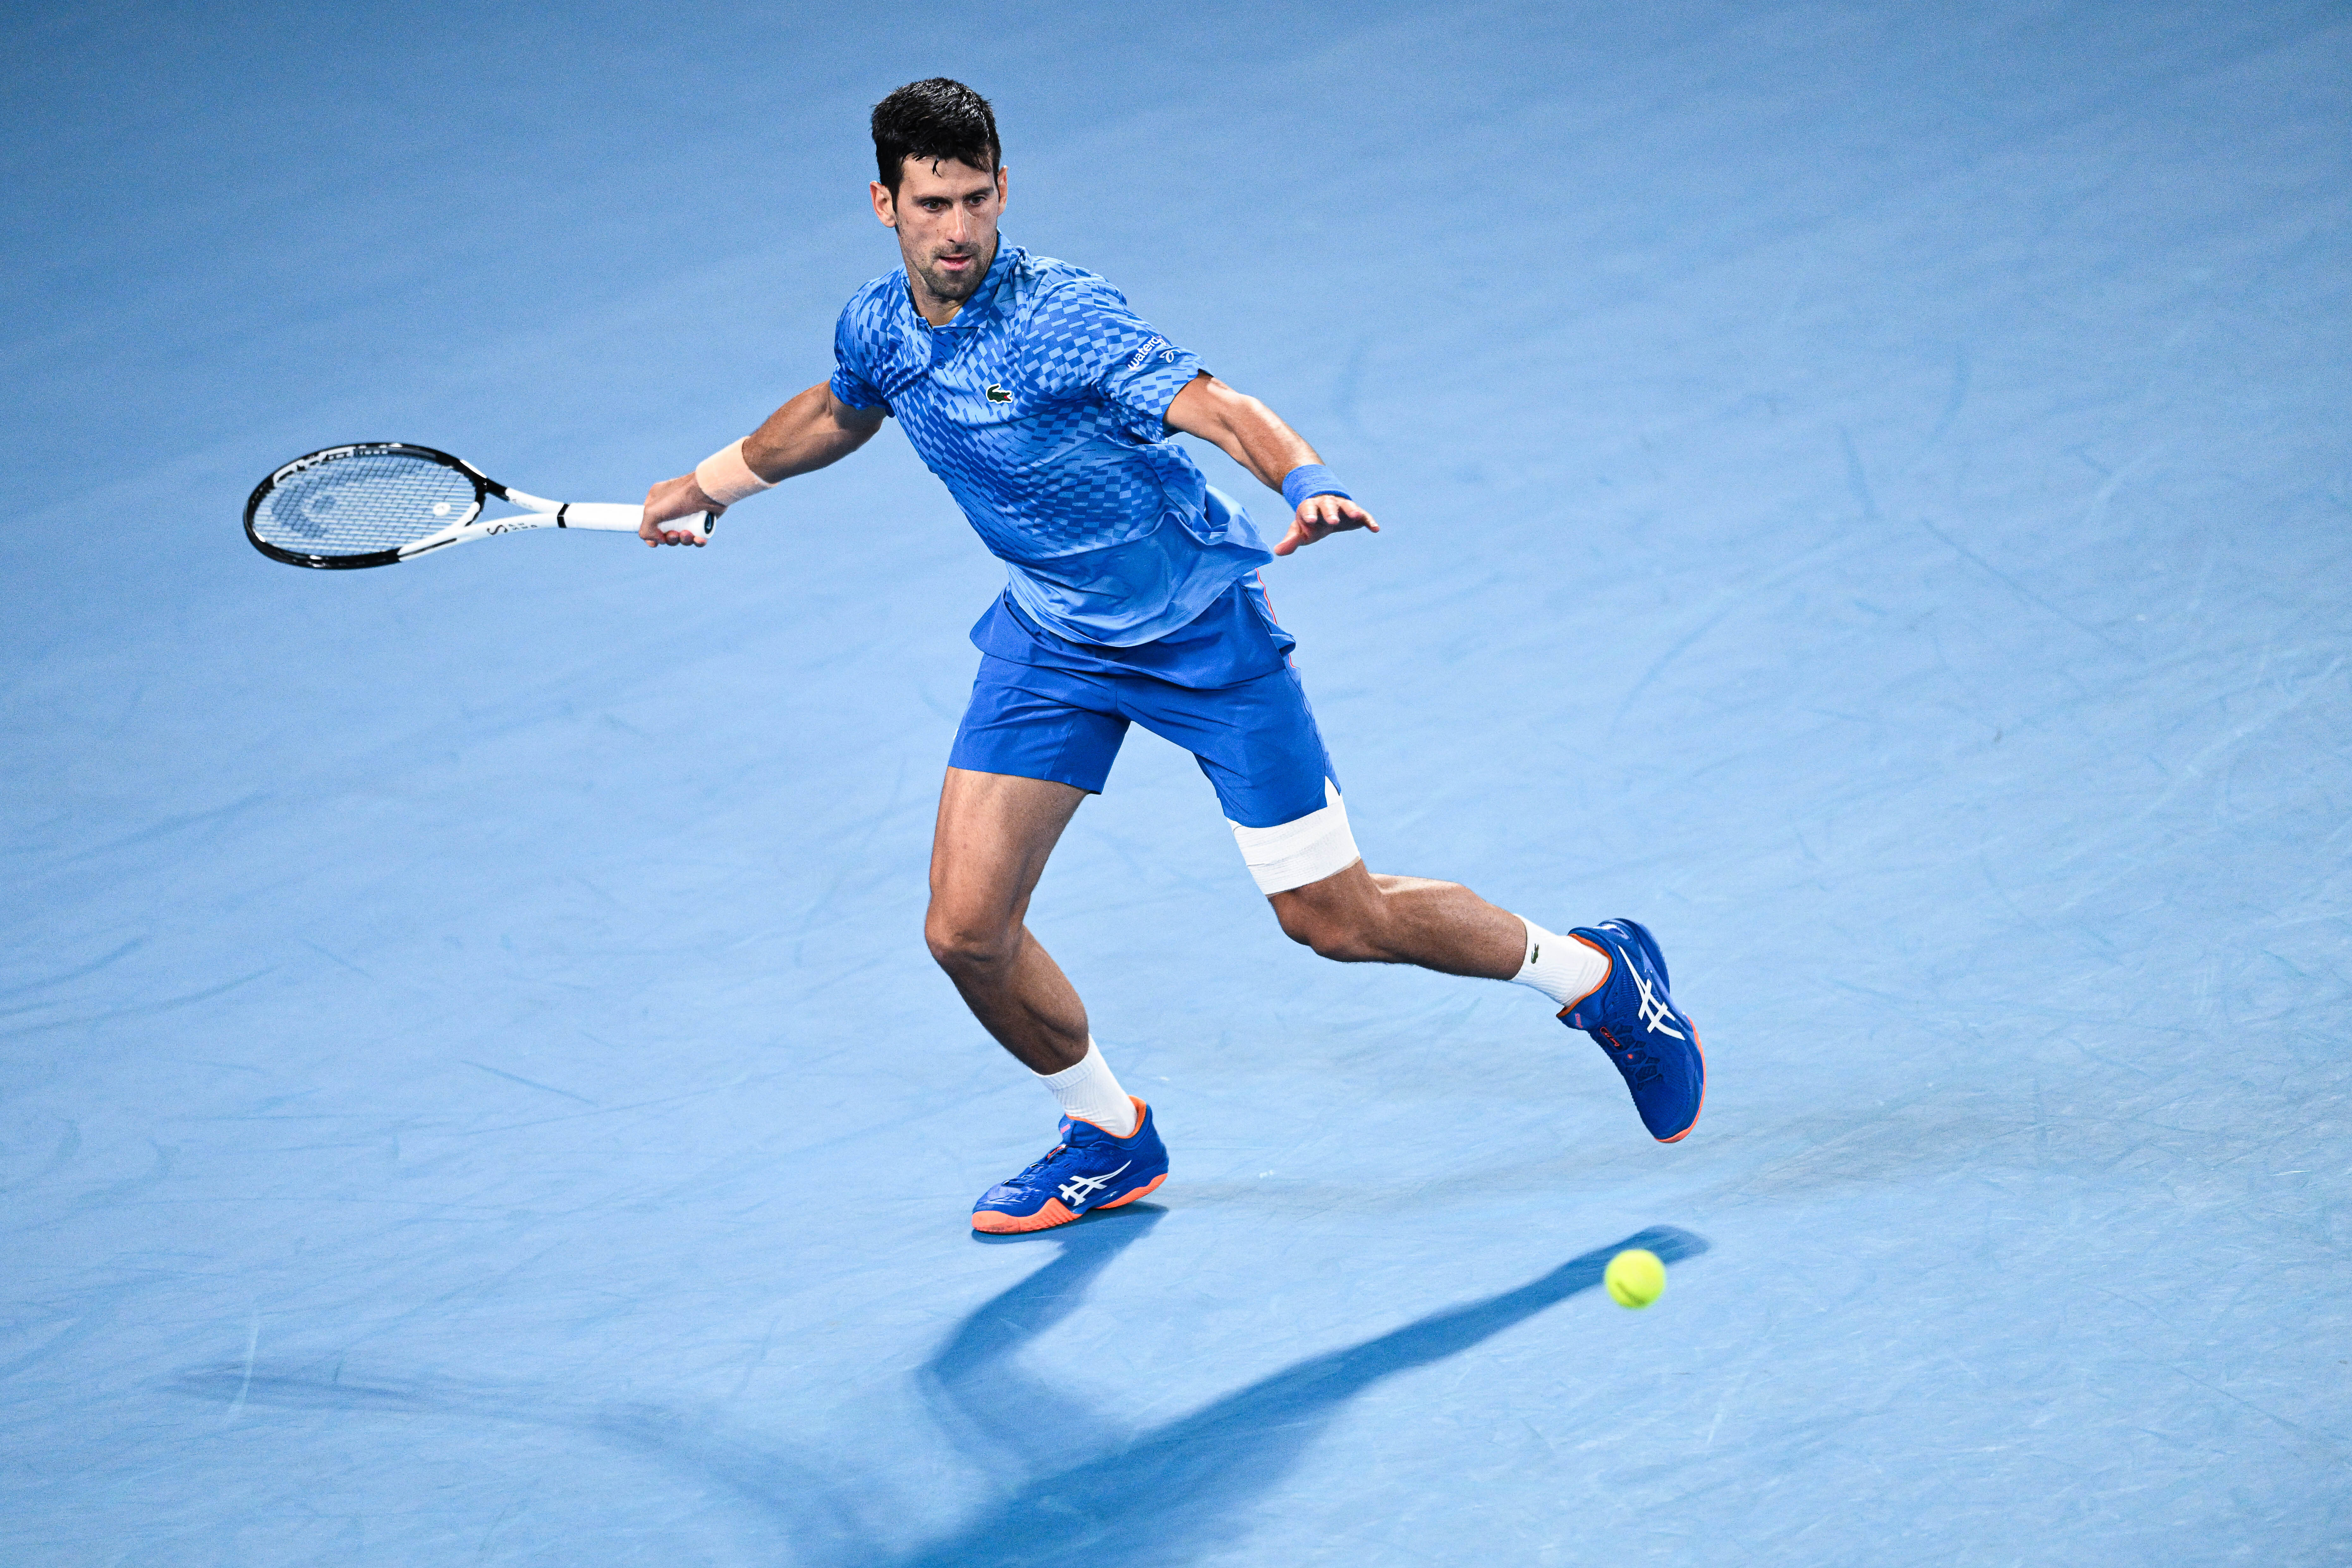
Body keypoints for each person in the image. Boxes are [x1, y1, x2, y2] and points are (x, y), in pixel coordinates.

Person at [639, 78, 1703, 1233]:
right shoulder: (879, 326)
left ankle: (1596, 980)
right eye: (933, 203)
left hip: (1199, 634)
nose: (958, 232)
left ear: (1006, 189)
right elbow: (843, 408)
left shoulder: (1063, 317)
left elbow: (1220, 407)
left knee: (1333, 919)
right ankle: (1109, 1136)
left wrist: (1306, 480)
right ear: (883, 204)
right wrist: (708, 486)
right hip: (1052, 644)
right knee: (964, 931)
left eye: (978, 199)